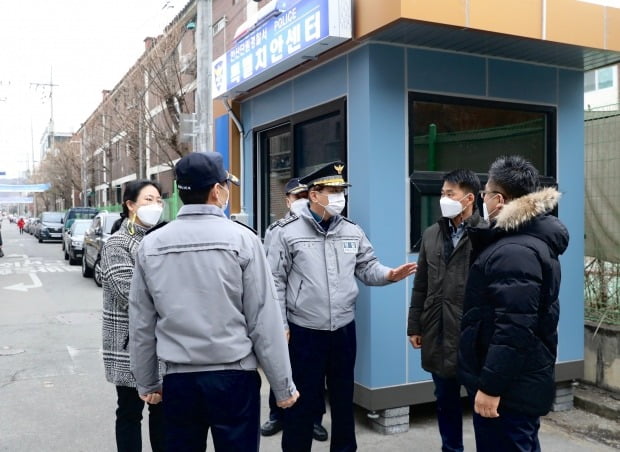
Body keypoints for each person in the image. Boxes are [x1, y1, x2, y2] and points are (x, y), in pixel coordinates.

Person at [128, 152, 299, 452]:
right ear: (216, 191)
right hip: (234, 378)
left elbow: (142, 321)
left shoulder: (151, 244)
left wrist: (147, 382)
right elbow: (263, 320)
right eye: (225, 186)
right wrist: (282, 385)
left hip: (179, 380)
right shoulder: (244, 240)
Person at [266, 161, 417, 452]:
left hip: (344, 331)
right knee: (301, 401)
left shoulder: (351, 231)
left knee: (343, 399)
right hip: (304, 332)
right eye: (332, 191)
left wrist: (389, 275)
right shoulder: (286, 232)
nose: (340, 197)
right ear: (313, 195)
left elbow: (367, 267)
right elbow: (275, 282)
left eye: (342, 191)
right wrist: (281, 325)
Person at [458, 155, 569, 451]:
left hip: (509, 390)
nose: (484, 200)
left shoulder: (514, 251)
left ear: (499, 199)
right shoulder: (520, 240)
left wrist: (490, 388)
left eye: (485, 194)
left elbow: (514, 328)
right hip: (518, 382)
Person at [407, 169, 483, 452]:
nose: (443, 199)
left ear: (469, 198)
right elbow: (421, 284)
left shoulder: (486, 235)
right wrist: (415, 325)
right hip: (437, 333)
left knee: (482, 407)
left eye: (450, 194)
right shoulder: (432, 234)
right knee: (445, 402)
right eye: (442, 193)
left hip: (473, 339)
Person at [100, 179, 166, 452]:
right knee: (129, 411)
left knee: (163, 413)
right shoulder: (118, 244)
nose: (156, 206)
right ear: (130, 205)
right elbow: (129, 297)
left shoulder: (161, 239)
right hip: (129, 343)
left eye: (159, 200)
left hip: (163, 340)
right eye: (148, 200)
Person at [261, 178, 328, 442]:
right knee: (281, 363)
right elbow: (271, 275)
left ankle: (314, 419)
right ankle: (277, 414)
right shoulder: (276, 229)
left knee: (314, 371)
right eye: (295, 196)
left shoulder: (320, 225)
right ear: (287, 200)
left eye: (304, 195)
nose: (300, 200)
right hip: (285, 311)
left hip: (311, 315)